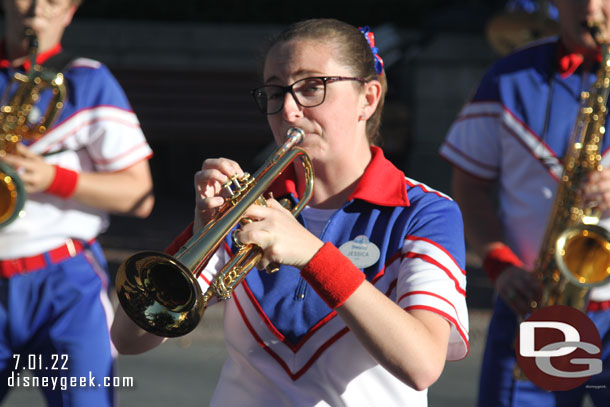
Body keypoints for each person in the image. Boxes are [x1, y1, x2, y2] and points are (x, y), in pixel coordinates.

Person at [111, 18, 468, 406]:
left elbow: (422, 365)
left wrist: (314, 257)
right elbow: (129, 338)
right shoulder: (249, 206)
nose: (289, 112)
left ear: (368, 98)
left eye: (312, 88)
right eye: (276, 92)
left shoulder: (424, 212)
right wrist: (200, 236)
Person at [440, 0, 610, 405]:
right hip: (538, 303)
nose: (590, 8)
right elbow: (469, 187)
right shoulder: (507, 78)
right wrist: (499, 263)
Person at [0, 0, 154, 406]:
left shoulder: (88, 79)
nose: (37, 9)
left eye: (53, 0)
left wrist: (54, 179)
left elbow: (139, 195)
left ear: (70, 11)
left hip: (64, 283)